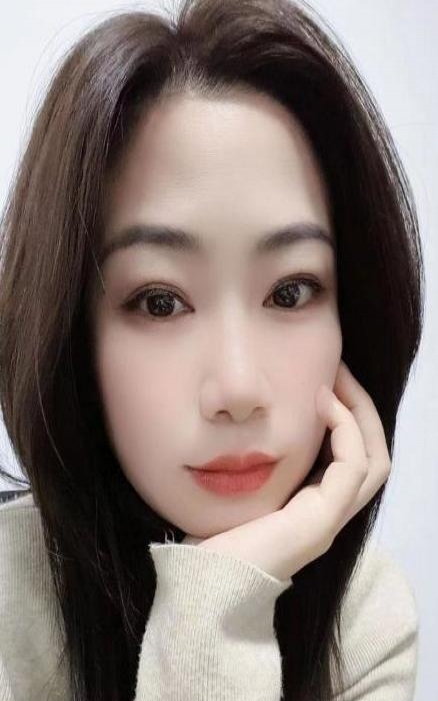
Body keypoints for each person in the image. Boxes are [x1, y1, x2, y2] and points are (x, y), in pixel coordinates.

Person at [0, 0, 424, 699]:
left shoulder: (366, 626)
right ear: (73, 334)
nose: (237, 387)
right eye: (159, 302)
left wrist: (218, 606)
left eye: (290, 292)